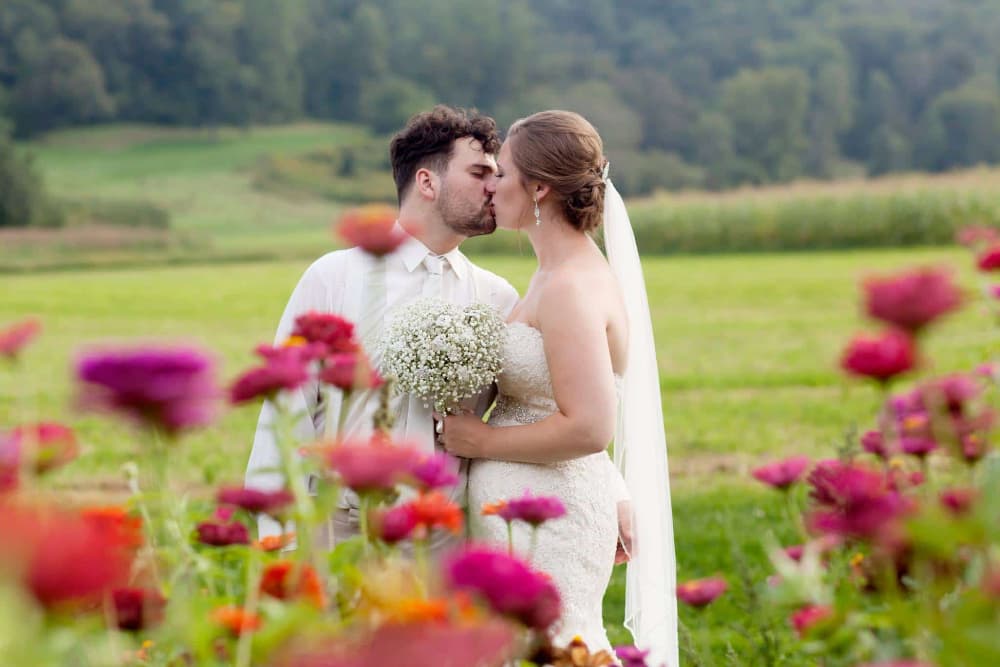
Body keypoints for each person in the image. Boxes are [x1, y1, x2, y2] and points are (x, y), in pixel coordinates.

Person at [438, 110, 678, 666]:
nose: (491, 186)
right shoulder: (553, 274)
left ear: (539, 187)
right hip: (526, 510)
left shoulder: (569, 286)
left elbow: (592, 425)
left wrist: (479, 442)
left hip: (553, 520)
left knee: (557, 648)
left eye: (501, 173)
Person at [244, 105, 518, 548]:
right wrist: (280, 538)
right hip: (336, 529)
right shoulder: (334, 277)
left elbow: (538, 403)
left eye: (497, 173)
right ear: (428, 181)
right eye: (480, 172)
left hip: (442, 538)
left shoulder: (498, 297)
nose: (496, 187)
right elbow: (286, 404)